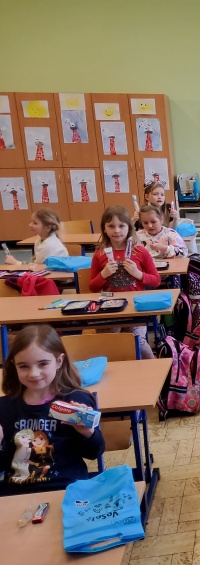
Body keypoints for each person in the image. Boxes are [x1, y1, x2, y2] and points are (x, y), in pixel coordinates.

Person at [0, 325, 104, 495]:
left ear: (59, 361)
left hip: (67, 489)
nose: (34, 374)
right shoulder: (5, 407)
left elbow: (94, 452)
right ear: (14, 365)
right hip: (17, 493)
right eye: (23, 366)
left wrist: (87, 433)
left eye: (43, 364)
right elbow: (3, 465)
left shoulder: (76, 401)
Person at [89, 205, 160, 358]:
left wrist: (138, 274)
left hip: (135, 308)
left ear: (129, 227)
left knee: (138, 342)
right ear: (104, 229)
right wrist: (103, 275)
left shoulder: (140, 251)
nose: (116, 231)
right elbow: (92, 287)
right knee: (108, 343)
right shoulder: (99, 254)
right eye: (111, 226)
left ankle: (154, 367)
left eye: (121, 226)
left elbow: (156, 281)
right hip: (109, 308)